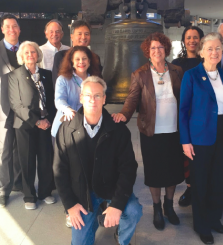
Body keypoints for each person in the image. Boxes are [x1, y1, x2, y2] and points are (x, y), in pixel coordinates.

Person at [53, 76, 142, 245]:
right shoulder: (65, 129)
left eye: (97, 95)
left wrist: (117, 204)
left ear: (104, 99)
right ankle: (92, 220)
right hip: (83, 192)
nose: (92, 100)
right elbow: (59, 170)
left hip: (111, 187)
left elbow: (128, 168)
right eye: (88, 95)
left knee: (133, 211)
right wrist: (70, 205)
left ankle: (122, 238)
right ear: (81, 98)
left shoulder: (119, 129)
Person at [112, 32, 184, 231]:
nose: (157, 51)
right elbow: (132, 99)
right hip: (150, 131)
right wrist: (123, 115)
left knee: (172, 170)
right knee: (154, 172)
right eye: (153, 48)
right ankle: (157, 209)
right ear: (147, 51)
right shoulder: (140, 74)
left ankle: (169, 206)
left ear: (166, 49)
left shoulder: (177, 71)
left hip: (174, 130)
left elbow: (185, 98)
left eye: (160, 47)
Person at [179, 32, 223, 245]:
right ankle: (202, 225)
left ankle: (214, 220)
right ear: (202, 51)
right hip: (200, 137)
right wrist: (185, 141)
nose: (214, 52)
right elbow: (184, 110)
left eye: (218, 48)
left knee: (216, 180)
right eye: (210, 48)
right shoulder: (192, 75)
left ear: (222, 52)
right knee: (200, 182)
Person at [8, 41, 56, 210]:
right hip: (25, 125)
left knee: (45, 159)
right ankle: (29, 195)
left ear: (38, 54)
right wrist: (37, 121)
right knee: (27, 161)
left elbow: (51, 100)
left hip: (46, 123)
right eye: (27, 53)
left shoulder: (46, 74)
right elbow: (16, 105)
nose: (30, 55)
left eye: (33, 52)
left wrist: (49, 118)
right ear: (21, 56)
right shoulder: (15, 75)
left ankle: (45, 192)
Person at [171, 25, 204, 208]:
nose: (192, 41)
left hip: (202, 115)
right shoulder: (177, 63)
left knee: (203, 153)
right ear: (184, 41)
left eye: (195, 37)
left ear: (201, 39)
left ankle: (206, 188)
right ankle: (191, 188)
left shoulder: (207, 61)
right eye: (188, 38)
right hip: (183, 113)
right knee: (187, 154)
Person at [51, 46, 101, 140]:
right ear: (72, 62)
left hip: (88, 130)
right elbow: (59, 100)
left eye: (84, 58)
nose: (81, 62)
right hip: (65, 129)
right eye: (77, 59)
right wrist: (68, 109)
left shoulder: (95, 80)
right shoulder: (62, 79)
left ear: (89, 61)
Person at [0, 14, 23, 208]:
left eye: (14, 26)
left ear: (19, 29)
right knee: (6, 150)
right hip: (4, 108)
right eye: (7, 27)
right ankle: (4, 189)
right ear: (2, 29)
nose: (11, 30)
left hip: (23, 108)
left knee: (21, 148)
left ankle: (19, 182)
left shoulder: (27, 50)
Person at [52, 19, 102, 87]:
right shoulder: (61, 56)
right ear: (72, 37)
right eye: (79, 34)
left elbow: (99, 83)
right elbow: (57, 86)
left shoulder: (95, 58)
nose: (83, 37)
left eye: (86, 34)